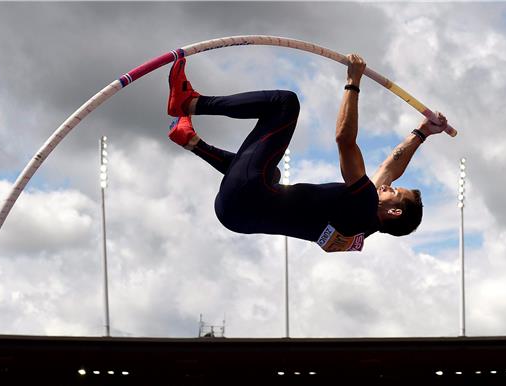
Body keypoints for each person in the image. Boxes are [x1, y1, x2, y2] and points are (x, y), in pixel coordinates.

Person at [165, 54, 449, 252]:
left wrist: (353, 82)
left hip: (246, 195)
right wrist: (422, 132)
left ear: (394, 211)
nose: (387, 185)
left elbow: (344, 140)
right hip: (235, 215)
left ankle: (190, 103)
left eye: (394, 191)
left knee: (284, 104)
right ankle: (191, 140)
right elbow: (389, 167)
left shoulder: (363, 205)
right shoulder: (363, 222)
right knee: (271, 174)